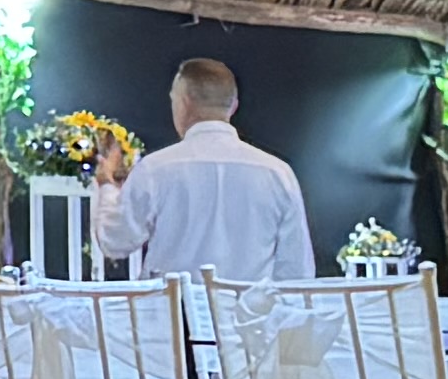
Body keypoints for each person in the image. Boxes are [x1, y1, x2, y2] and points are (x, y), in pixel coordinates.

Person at [102, 55, 314, 284]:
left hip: (172, 316)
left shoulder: (155, 169)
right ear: (233, 106)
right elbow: (296, 270)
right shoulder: (278, 173)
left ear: (183, 103)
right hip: (248, 317)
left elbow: (115, 241)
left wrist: (106, 185)